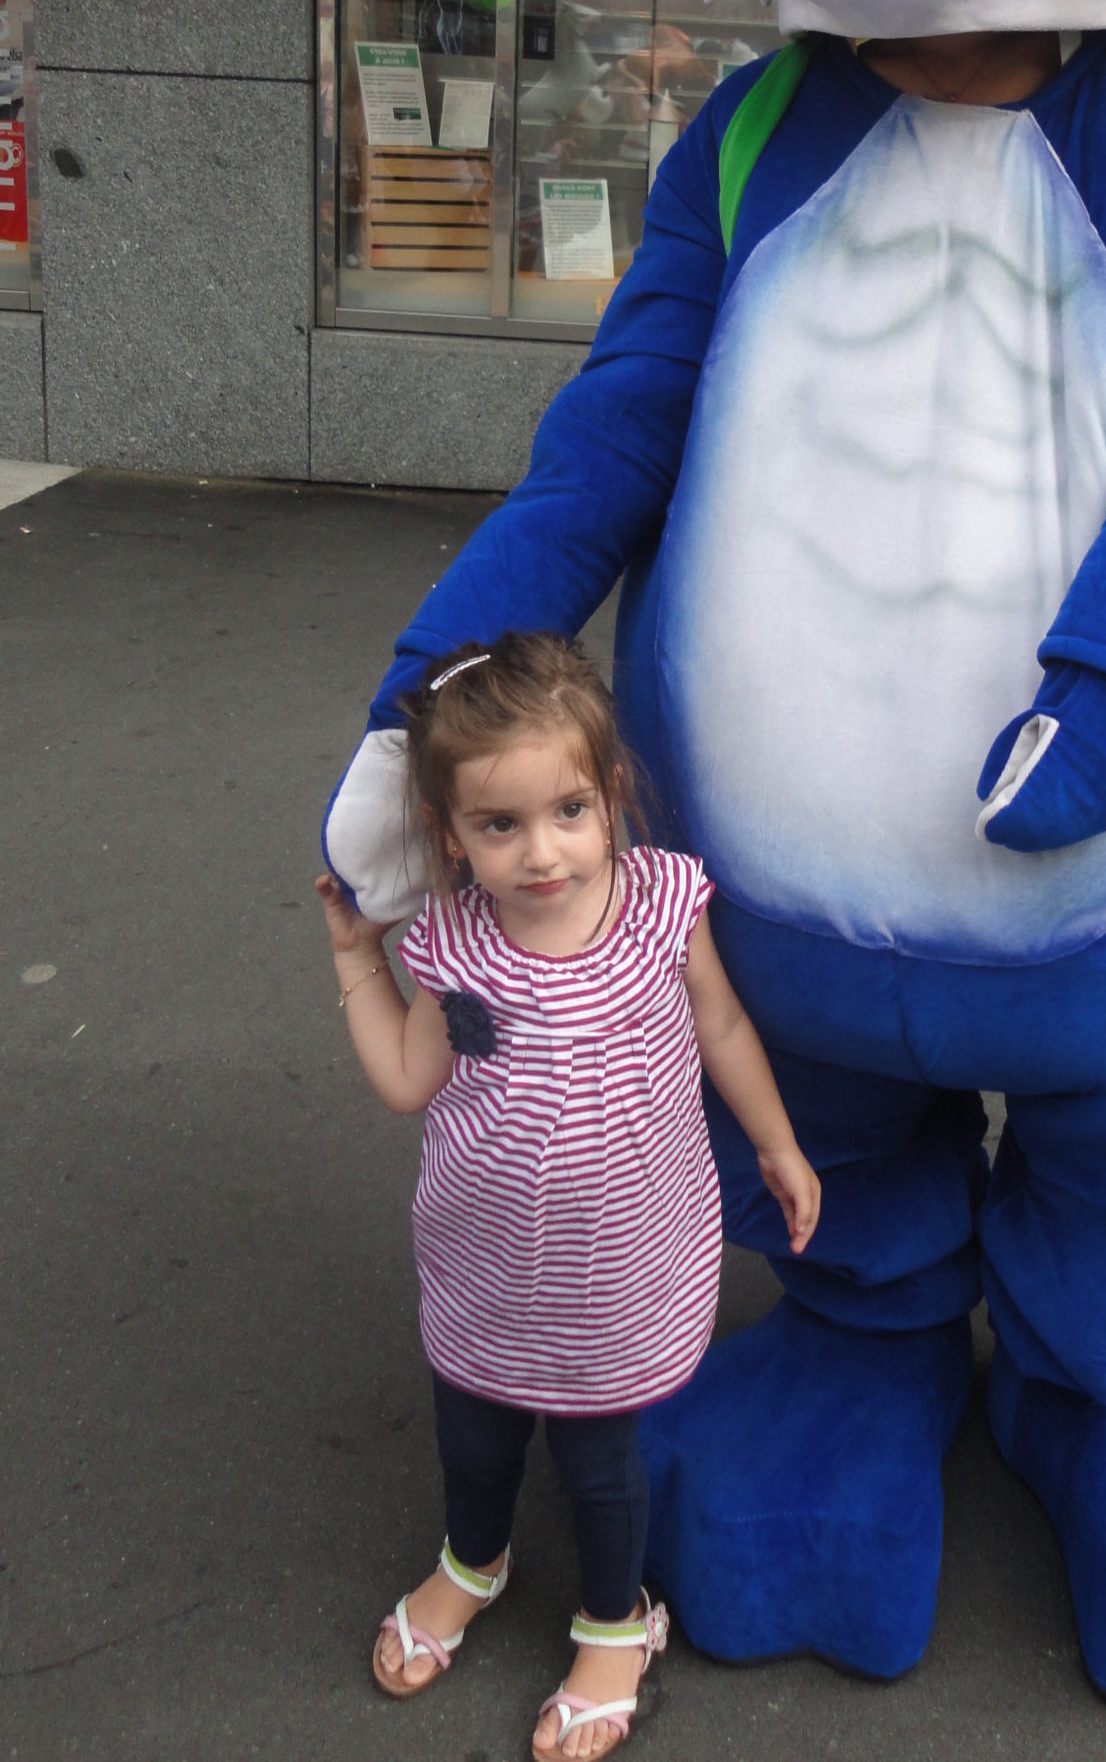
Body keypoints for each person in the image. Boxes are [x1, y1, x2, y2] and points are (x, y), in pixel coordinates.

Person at [316, 630, 820, 1759]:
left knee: (599, 1468)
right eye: (500, 824)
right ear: (449, 833)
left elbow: (720, 1024)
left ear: (611, 793)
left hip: (622, 1272)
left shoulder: (662, 907)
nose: (542, 852)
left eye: (570, 811)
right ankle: (472, 1561)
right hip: (486, 1266)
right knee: (476, 1440)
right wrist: (357, 957)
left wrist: (779, 1143)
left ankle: (613, 1624)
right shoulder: (452, 945)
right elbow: (406, 1080)